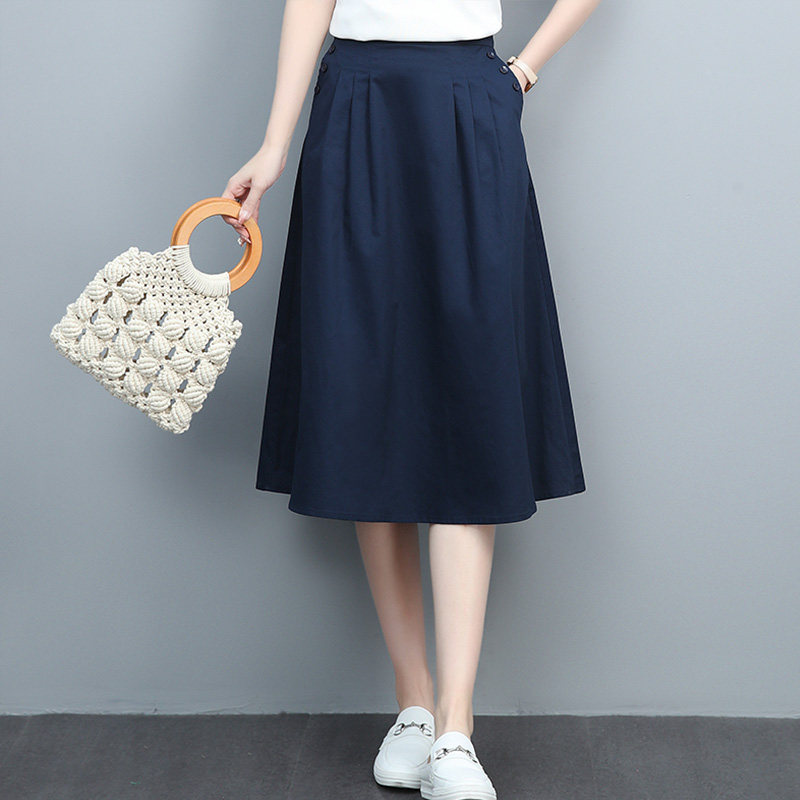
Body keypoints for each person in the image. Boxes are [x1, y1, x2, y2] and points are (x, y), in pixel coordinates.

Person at [222, 1, 601, 796]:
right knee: (368, 396)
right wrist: (275, 144)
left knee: (470, 399)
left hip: (468, 97)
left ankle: (458, 728)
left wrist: (524, 71)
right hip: (355, 102)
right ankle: (415, 707)